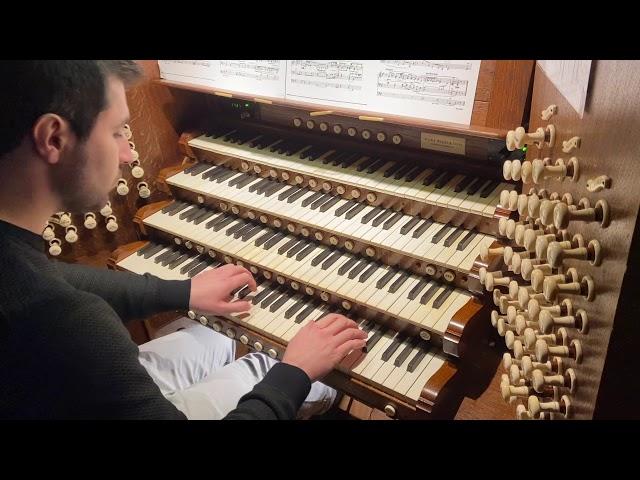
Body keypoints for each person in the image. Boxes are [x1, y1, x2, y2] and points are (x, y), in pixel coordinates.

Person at [0, 60, 367, 420]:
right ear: (54, 138)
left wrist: (183, 291)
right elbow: (67, 308)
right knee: (267, 365)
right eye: (116, 132)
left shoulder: (19, 268)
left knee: (216, 337)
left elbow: (58, 277)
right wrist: (296, 372)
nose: (128, 154)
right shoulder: (69, 324)